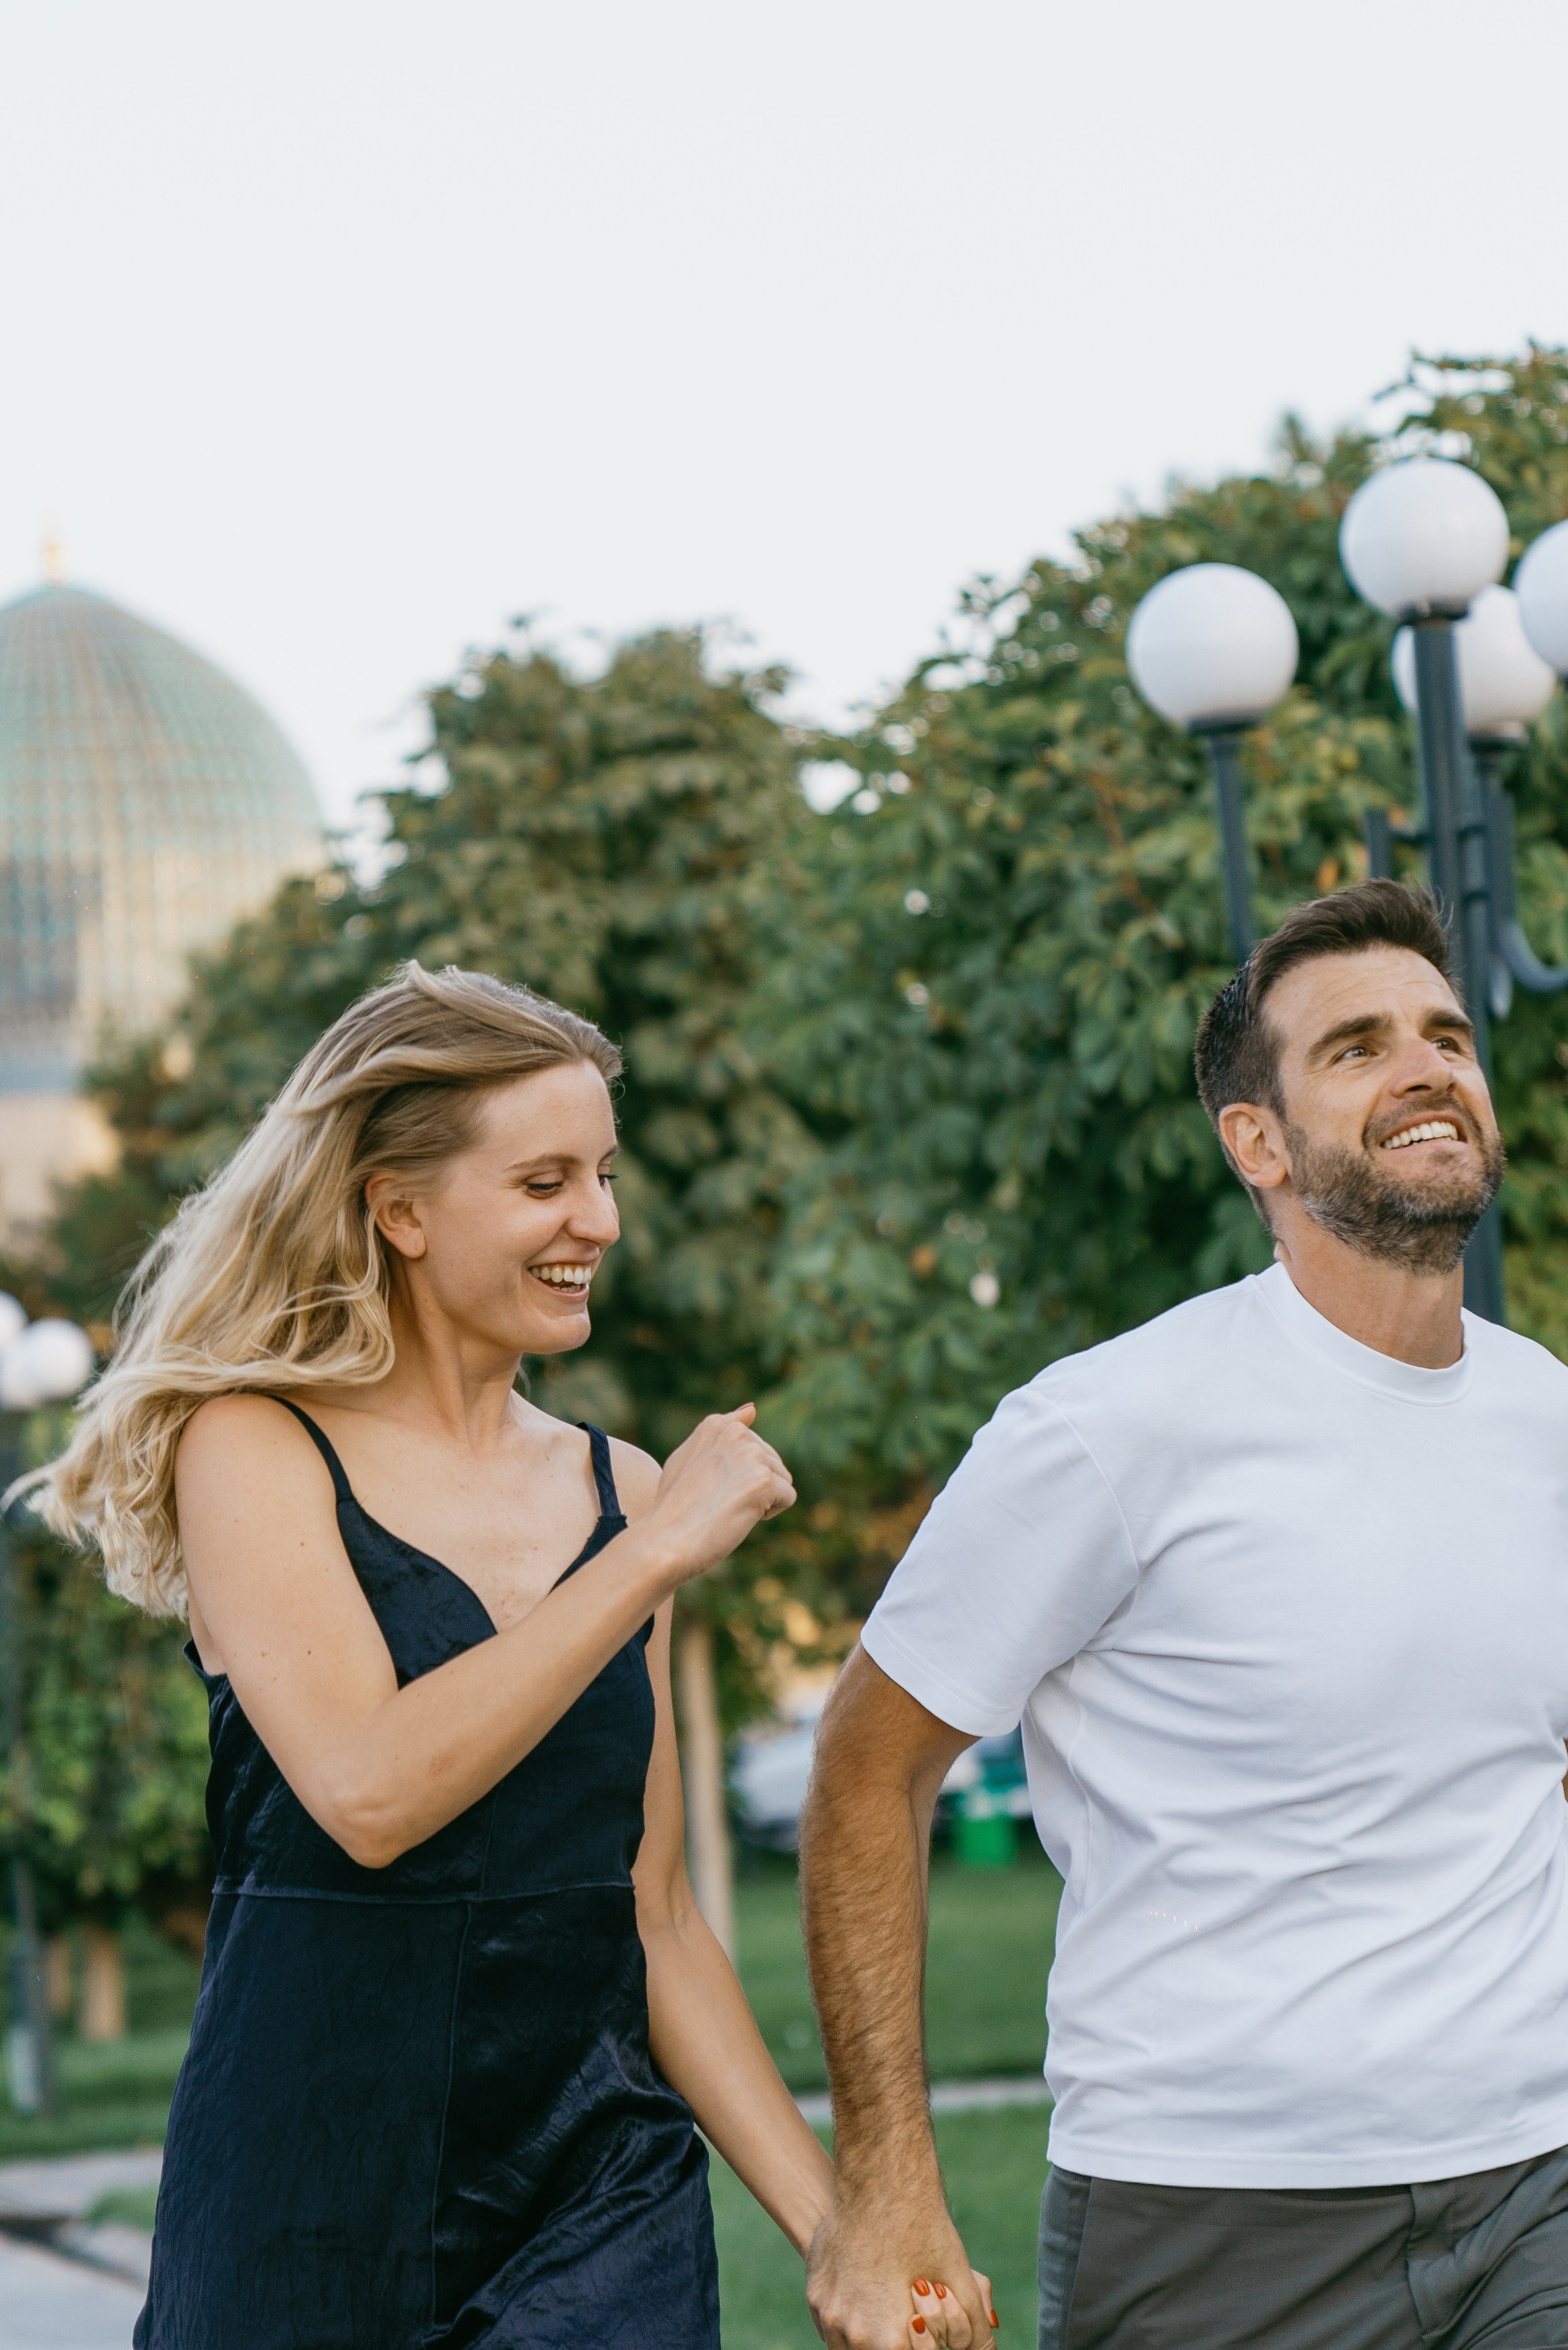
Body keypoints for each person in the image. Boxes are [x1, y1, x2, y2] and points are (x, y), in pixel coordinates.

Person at [799, 878, 1568, 2350]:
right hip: (1216, 2210)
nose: (1423, 1066)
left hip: (1534, 2180)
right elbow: (864, 1766)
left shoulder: (1546, 1413)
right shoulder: (1105, 1426)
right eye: (1354, 1045)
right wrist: (885, 2177)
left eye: (1444, 1033)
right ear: (1255, 1141)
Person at [33, 961, 834, 2350]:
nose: (600, 1218)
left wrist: (842, 2235)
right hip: (305, 2188)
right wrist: (644, 1558)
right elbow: (368, 1790)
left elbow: (650, 1917)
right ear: (399, 1208)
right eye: (542, 1183)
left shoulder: (619, 1483)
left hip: (600, 2194)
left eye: (601, 1171)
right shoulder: (256, 1448)